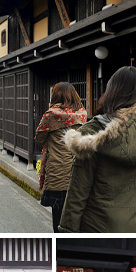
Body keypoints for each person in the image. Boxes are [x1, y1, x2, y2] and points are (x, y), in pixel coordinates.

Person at [58, 66, 136, 232]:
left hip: (99, 229)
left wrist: (67, 231)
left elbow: (78, 191)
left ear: (111, 91)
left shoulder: (92, 134)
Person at [35, 82, 87, 231]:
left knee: (58, 220)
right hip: (78, 172)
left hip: (57, 173)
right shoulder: (82, 114)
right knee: (76, 218)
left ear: (56, 95)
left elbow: (39, 139)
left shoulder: (51, 115)